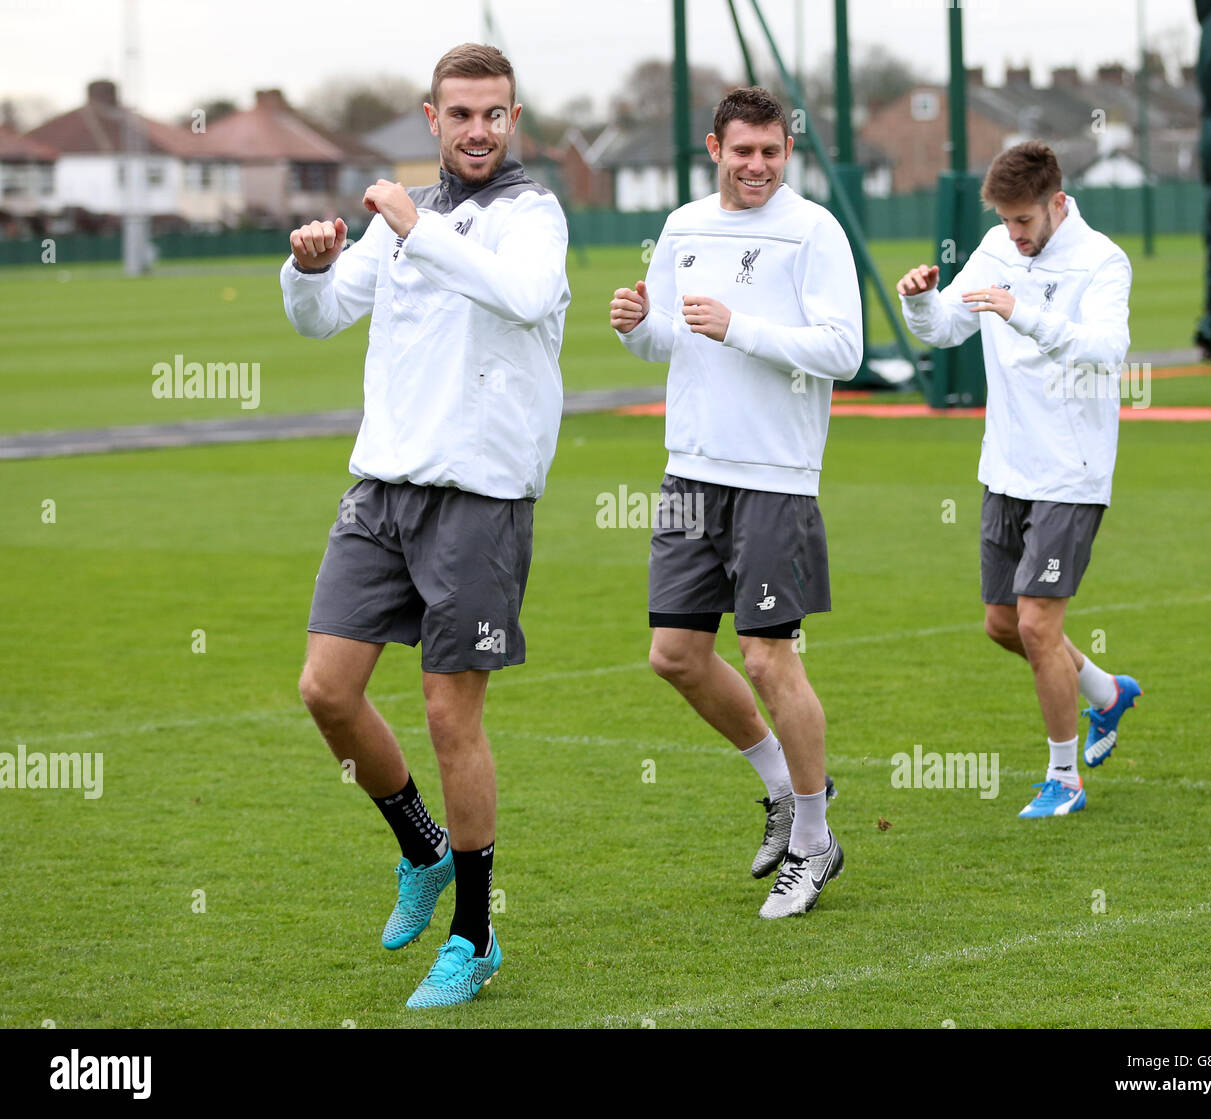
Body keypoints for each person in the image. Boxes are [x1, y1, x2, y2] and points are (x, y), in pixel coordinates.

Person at [281, 43, 569, 1005]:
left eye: (495, 114)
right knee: (326, 689)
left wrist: (416, 225)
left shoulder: (534, 217)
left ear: (514, 121)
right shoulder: (400, 214)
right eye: (461, 114)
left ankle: (476, 932)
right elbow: (323, 320)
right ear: (432, 118)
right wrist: (306, 269)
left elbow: (521, 297)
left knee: (452, 715)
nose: (478, 129)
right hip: (380, 489)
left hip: (479, 496)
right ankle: (421, 846)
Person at [610, 87, 863, 917]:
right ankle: (782, 790)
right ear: (714, 146)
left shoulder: (814, 230)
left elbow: (845, 349)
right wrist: (634, 326)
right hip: (691, 469)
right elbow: (665, 341)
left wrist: (740, 325)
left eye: (772, 152)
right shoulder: (682, 226)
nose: (757, 166)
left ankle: (816, 839)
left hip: (774, 475)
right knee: (674, 655)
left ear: (786, 152)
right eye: (742, 151)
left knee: (767, 657)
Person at [896, 140, 1142, 819]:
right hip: (1005, 466)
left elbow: (1106, 351)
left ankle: (1064, 778)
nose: (1014, 234)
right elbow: (947, 325)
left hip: (1072, 470)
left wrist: (1022, 312)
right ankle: (1106, 692)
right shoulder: (998, 247)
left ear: (1057, 203)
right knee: (1003, 624)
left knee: (1037, 624)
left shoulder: (1102, 261)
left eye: (1024, 221)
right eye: (1005, 221)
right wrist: (920, 301)